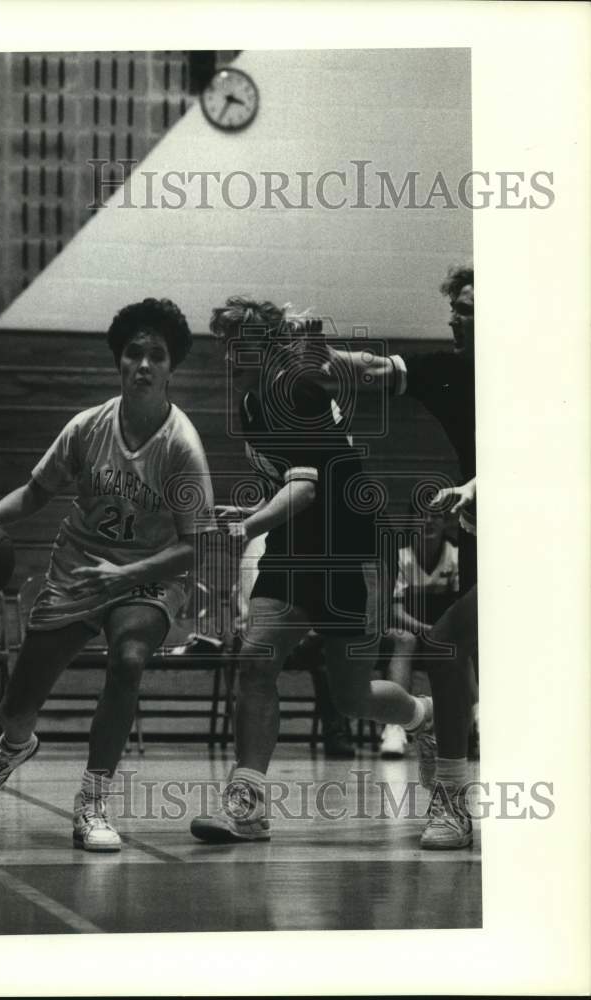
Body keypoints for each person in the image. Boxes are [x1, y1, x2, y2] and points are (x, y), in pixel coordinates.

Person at [0, 298, 214, 852]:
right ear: (119, 362)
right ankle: (16, 743)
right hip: (78, 564)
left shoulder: (182, 448)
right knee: (18, 703)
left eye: (157, 356)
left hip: (149, 573)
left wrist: (124, 578)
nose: (144, 364)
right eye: (134, 353)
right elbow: (33, 494)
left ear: (172, 368)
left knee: (129, 660)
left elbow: (195, 547)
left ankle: (93, 801)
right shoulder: (86, 428)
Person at [190, 297, 434, 844]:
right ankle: (247, 806)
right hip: (297, 548)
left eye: (243, 338)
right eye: (226, 340)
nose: (232, 349)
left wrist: (248, 526)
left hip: (350, 552)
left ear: (267, 343)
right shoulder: (256, 397)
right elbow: (292, 485)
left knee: (353, 698)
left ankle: (423, 717)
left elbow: (306, 484)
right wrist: (254, 518)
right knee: (256, 662)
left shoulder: (292, 392)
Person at [315, 264, 478, 848]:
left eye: (469, 309)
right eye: (455, 306)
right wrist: (314, 354)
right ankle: (453, 802)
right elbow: (376, 370)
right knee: (447, 646)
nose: (455, 317)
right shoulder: (447, 371)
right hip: (491, 538)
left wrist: (477, 487)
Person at [380, 504, 467, 759]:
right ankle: (394, 726)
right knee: (404, 639)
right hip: (412, 629)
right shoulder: (400, 558)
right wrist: (428, 630)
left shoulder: (456, 556)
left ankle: (475, 720)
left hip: (444, 633)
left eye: (436, 516)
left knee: (468, 639)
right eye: (422, 516)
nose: (428, 522)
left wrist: (440, 632)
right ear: (411, 523)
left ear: (445, 523)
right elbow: (394, 613)